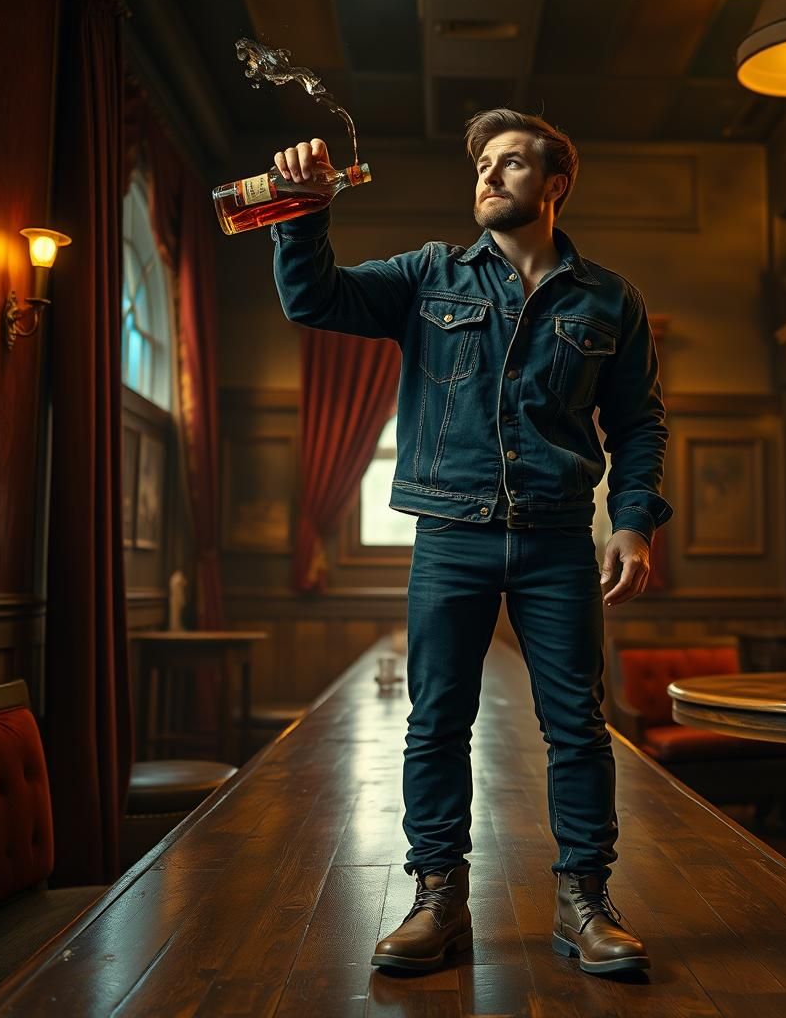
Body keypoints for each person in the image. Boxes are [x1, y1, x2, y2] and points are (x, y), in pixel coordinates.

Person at [271, 108, 672, 976]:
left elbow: (639, 424)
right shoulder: (429, 275)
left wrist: (633, 521)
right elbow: (313, 297)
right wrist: (304, 210)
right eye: (483, 163)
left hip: (561, 538)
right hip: (449, 535)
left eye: (513, 162)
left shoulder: (610, 299)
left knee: (578, 728)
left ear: (556, 184)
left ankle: (584, 903)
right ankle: (437, 900)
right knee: (436, 723)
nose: (489, 175)